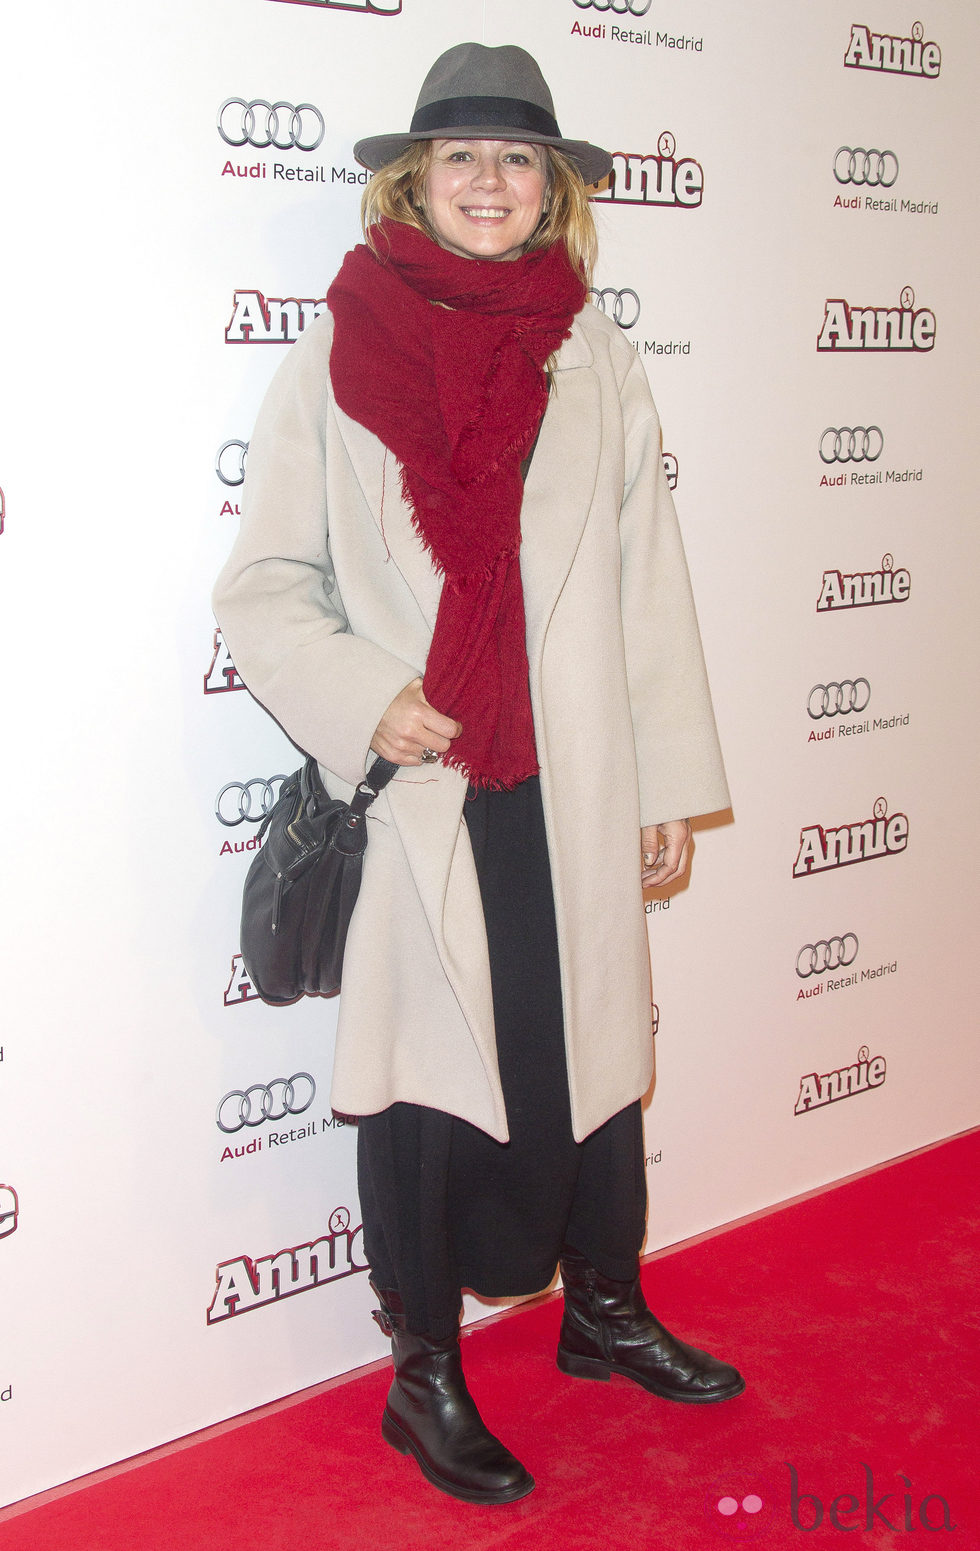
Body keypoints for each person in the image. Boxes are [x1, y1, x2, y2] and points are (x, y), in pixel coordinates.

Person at [213, 41, 743, 1507]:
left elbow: (649, 585)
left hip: (568, 778)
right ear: (413, 179)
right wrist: (367, 698)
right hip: (423, 780)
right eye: (463, 158)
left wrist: (660, 790)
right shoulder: (338, 353)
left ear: (555, 190)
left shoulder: (597, 354)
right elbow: (262, 585)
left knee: (586, 1057)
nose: (492, 183)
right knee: (429, 1088)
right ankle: (425, 1371)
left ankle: (601, 1309)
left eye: (521, 160)